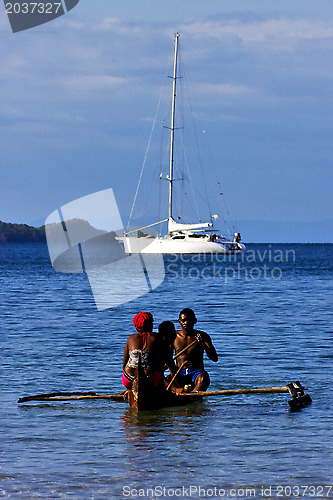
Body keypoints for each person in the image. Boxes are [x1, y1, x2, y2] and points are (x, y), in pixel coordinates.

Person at [174, 308, 218, 392]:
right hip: (179, 372)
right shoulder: (174, 336)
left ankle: (193, 394)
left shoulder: (202, 336)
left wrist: (203, 345)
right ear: (179, 322)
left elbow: (215, 358)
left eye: (188, 320)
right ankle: (178, 391)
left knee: (203, 378)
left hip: (196, 372)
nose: (186, 323)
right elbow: (165, 356)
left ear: (194, 321)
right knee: (165, 379)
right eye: (183, 321)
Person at [122, 311, 161, 390]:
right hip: (149, 378)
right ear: (149, 324)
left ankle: (129, 389)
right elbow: (159, 362)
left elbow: (124, 363)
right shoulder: (156, 337)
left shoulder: (131, 338)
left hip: (128, 378)